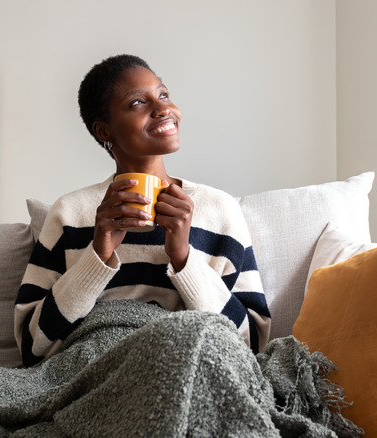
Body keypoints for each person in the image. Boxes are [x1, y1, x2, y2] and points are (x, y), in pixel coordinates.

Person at [14, 54, 272, 366]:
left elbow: (251, 346)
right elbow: (32, 347)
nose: (163, 109)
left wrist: (183, 258)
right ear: (104, 131)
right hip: (95, 375)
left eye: (163, 94)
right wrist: (97, 257)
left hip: (189, 371)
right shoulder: (71, 214)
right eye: (138, 102)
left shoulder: (219, 210)